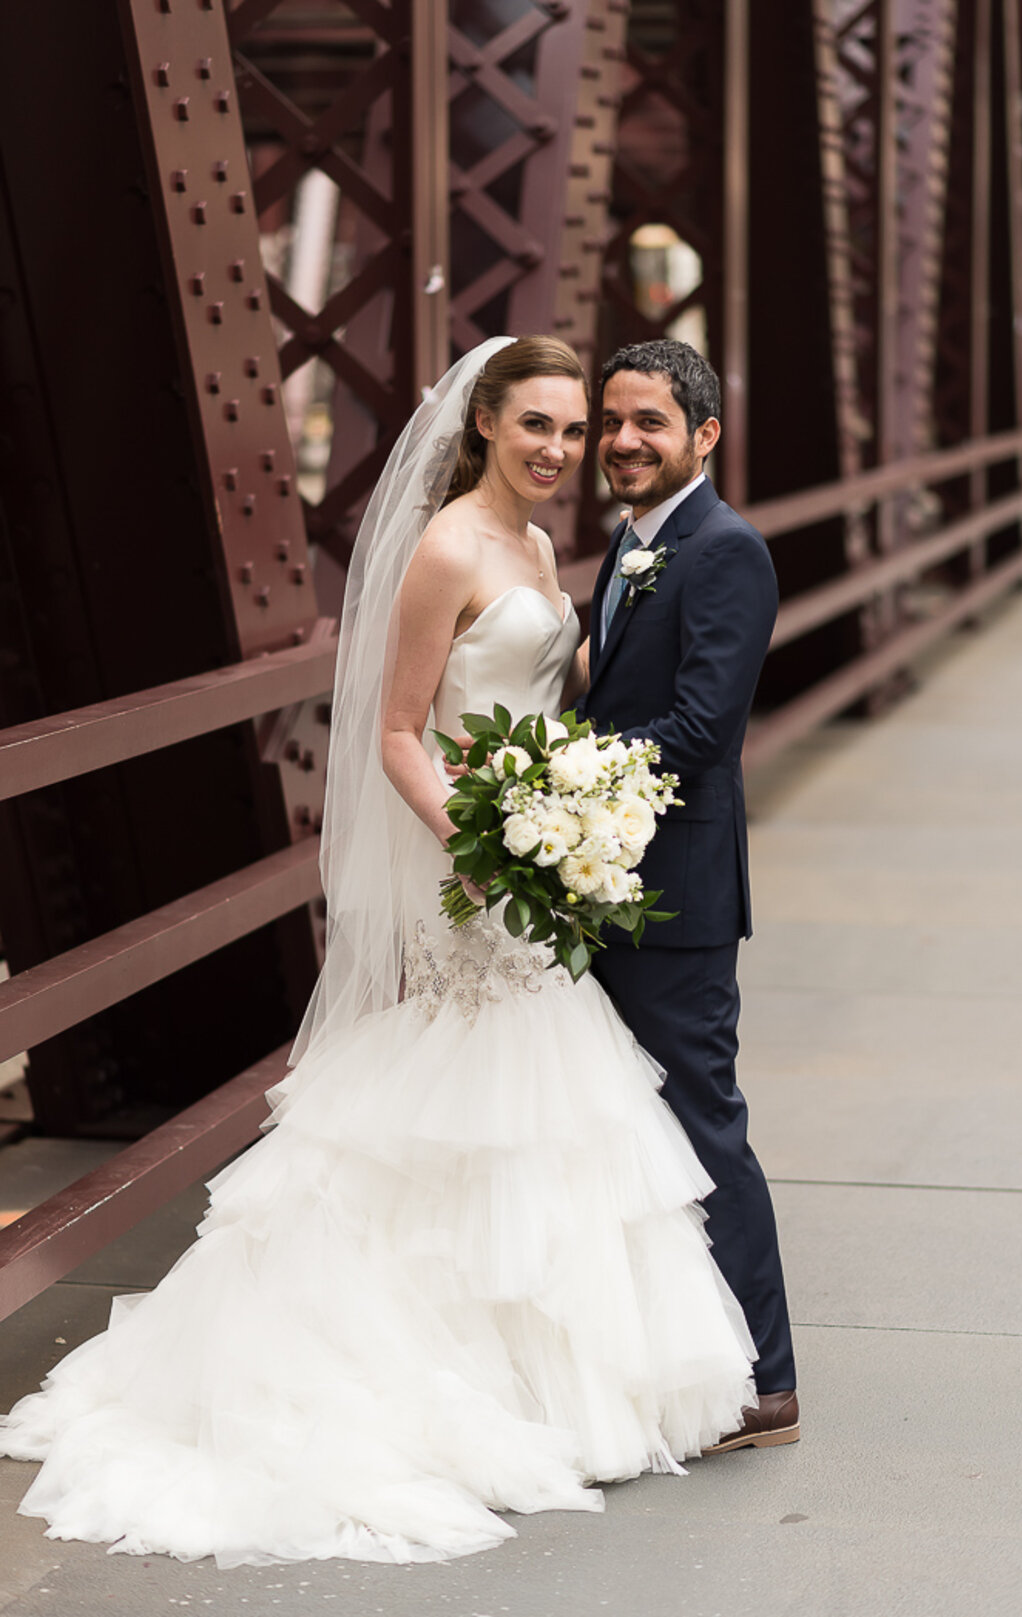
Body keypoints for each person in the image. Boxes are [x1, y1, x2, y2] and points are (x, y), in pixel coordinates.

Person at [0, 337, 756, 1568]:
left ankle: (530, 1389)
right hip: (477, 869)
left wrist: (557, 815)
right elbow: (400, 729)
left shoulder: (543, 548)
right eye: (539, 428)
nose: (562, 450)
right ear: (485, 429)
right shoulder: (451, 544)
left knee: (538, 1121)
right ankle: (411, 1384)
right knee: (464, 1110)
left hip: (537, 869)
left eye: (575, 430)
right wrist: (482, 835)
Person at [582, 338, 798, 1447]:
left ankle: (766, 1382)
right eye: (610, 420)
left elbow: (705, 733)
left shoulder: (723, 550)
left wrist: (564, 785)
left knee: (702, 1127)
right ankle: (661, 1359)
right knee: (626, 1129)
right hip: (605, 885)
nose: (622, 441)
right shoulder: (629, 548)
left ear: (704, 436)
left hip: (674, 899)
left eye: (648, 423)